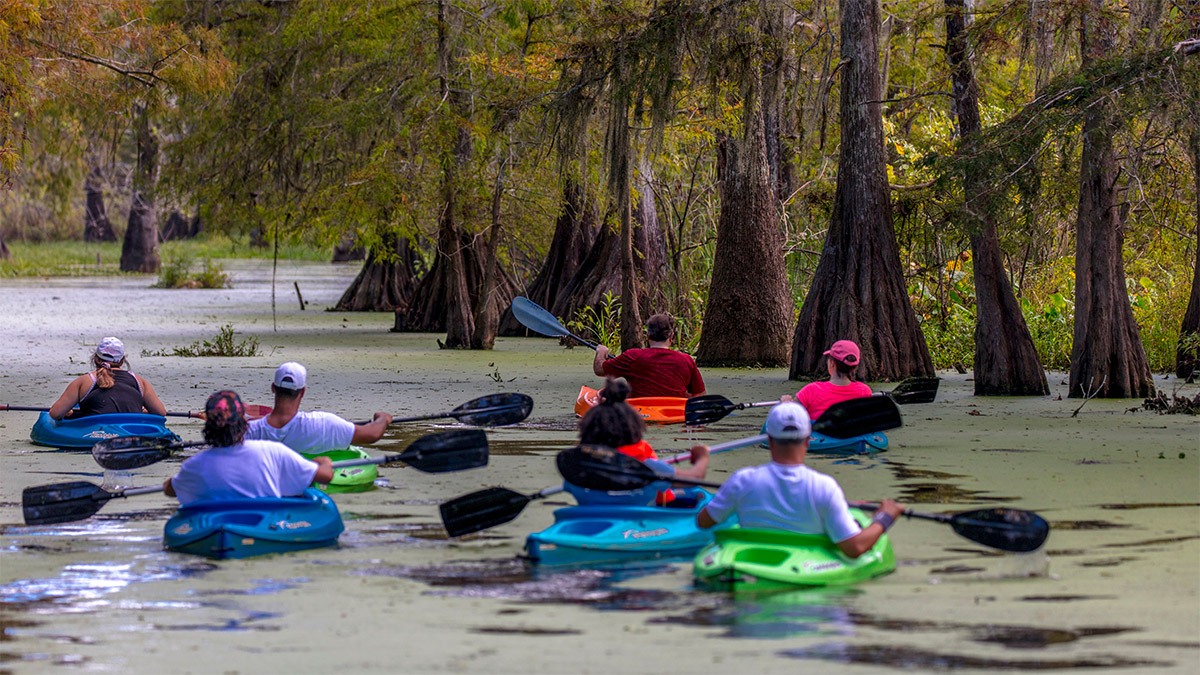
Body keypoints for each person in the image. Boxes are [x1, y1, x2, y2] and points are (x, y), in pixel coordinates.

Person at [697, 400, 904, 558]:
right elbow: (855, 547)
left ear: (769, 440)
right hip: (804, 568)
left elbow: (704, 521)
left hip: (750, 562)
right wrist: (884, 517)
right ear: (807, 441)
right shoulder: (824, 487)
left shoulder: (742, 480)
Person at [164, 390, 334, 506]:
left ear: (208, 427)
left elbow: (169, 490)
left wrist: (171, 481)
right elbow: (325, 476)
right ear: (243, 424)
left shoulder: (193, 465)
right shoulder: (272, 451)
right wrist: (323, 462)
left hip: (216, 526)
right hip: (262, 525)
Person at [567, 377, 709, 506]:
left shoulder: (578, 465)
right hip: (637, 521)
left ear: (587, 430)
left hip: (590, 518)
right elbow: (696, 477)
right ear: (633, 428)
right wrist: (702, 457)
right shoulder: (647, 467)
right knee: (697, 496)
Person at [245, 362, 393, 453]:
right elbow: (371, 434)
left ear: (273, 388)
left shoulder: (247, 430)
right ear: (303, 391)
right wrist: (383, 418)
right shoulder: (323, 424)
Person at [48, 337, 166, 420]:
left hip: (93, 433)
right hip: (131, 431)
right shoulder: (140, 382)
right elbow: (160, 413)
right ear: (122, 360)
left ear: (95, 358)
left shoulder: (83, 381)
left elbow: (55, 414)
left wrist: (68, 412)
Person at [592, 313, 705, 399]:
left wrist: (601, 351)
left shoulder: (632, 356)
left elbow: (599, 369)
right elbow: (700, 395)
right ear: (671, 337)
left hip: (640, 414)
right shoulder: (686, 360)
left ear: (647, 336)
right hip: (675, 413)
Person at [795, 339, 873, 422]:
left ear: (832, 363)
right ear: (855, 367)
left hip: (818, 434)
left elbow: (791, 416)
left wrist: (786, 403)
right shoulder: (864, 391)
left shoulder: (811, 390)